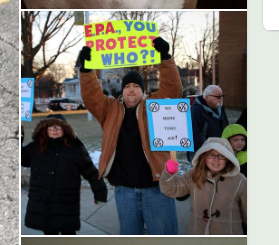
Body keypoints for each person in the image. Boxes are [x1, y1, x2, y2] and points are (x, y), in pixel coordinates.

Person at [78, 37, 182, 235]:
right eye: (127, 86)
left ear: (142, 89)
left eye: (136, 86)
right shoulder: (109, 109)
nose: (131, 89)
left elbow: (172, 89)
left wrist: (165, 58)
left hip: (157, 189)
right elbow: (92, 96)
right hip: (124, 191)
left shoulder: (156, 105)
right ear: (122, 90)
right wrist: (86, 69)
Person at [21, 114, 108, 235]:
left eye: (58, 127)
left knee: (68, 236)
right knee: (49, 235)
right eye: (51, 127)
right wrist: (18, 138)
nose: (55, 130)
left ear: (65, 129)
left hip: (66, 204)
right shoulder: (35, 148)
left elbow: (91, 172)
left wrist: (100, 193)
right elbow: (18, 158)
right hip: (43, 204)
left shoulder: (76, 149)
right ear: (44, 129)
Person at [159, 137, 247, 235]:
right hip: (198, 235)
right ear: (204, 156)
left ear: (227, 158)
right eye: (211, 155)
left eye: (221, 155)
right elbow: (170, 189)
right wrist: (168, 173)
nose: (216, 159)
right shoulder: (194, 175)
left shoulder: (239, 180)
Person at [190, 85, 229, 164]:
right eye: (218, 96)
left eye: (222, 96)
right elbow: (194, 133)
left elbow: (226, 128)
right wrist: (204, 151)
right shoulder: (196, 110)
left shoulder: (220, 109)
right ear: (207, 97)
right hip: (201, 153)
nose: (221, 98)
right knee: (200, 175)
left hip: (220, 151)